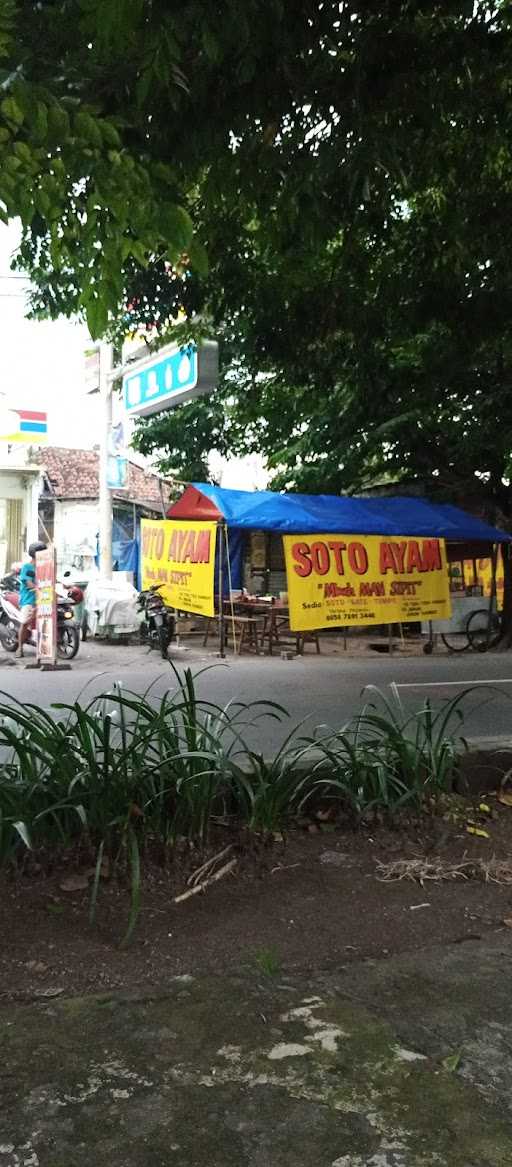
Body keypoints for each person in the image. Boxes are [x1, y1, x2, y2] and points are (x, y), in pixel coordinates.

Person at [16, 541, 46, 658]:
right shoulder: (27, 567)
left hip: (44, 598)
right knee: (24, 622)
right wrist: (37, 587)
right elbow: (28, 582)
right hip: (29, 599)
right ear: (35, 554)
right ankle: (20, 647)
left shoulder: (45, 566)